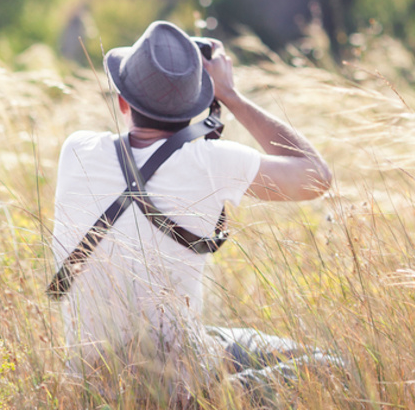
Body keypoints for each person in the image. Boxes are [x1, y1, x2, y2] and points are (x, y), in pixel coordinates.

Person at [50, 20, 335, 405]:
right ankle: (223, 397)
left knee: (216, 338)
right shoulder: (210, 161)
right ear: (197, 105)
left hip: (90, 382)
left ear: (122, 101)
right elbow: (316, 177)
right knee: (331, 367)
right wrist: (231, 96)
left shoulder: (76, 149)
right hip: (178, 384)